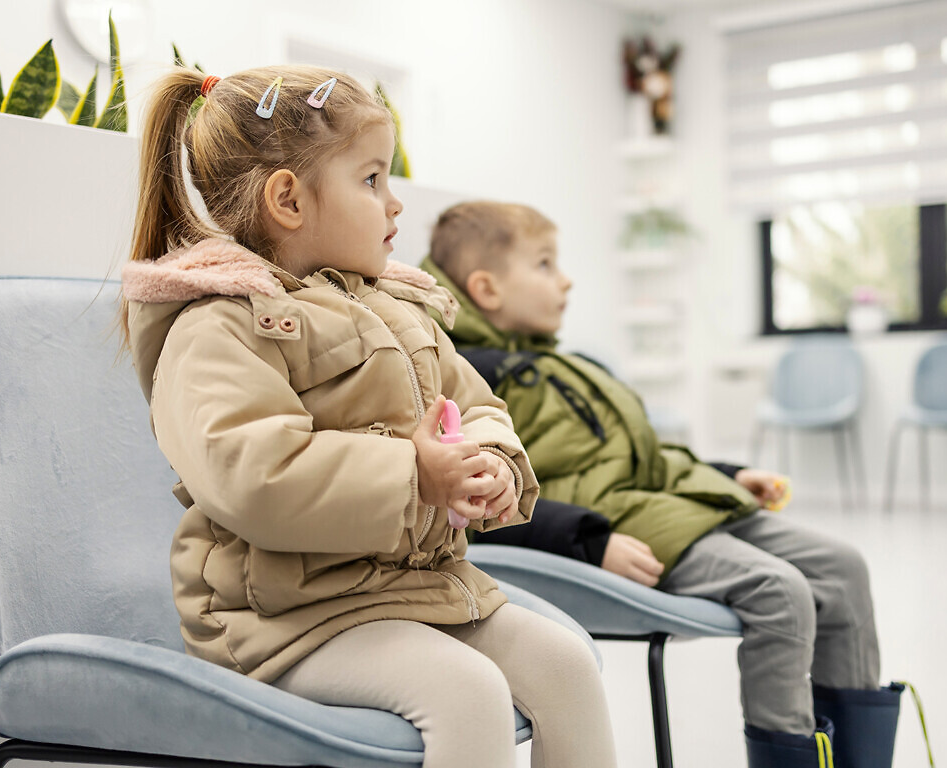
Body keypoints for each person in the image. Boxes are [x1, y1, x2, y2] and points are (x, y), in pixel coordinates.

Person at [119, 68, 617, 768]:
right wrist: (414, 473)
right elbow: (254, 477)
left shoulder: (398, 309)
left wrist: (492, 464)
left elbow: (475, 406)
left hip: (412, 592)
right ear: (288, 199)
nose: (395, 204)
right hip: (284, 618)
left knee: (566, 667)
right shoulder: (216, 327)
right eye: (372, 180)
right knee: (468, 692)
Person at [421, 201, 906, 768]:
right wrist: (590, 541)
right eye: (546, 264)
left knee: (844, 566)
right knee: (781, 593)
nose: (567, 279)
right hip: (626, 526)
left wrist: (726, 477)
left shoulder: (561, 364)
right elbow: (474, 502)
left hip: (663, 504)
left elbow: (640, 453)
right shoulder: (468, 377)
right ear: (487, 288)